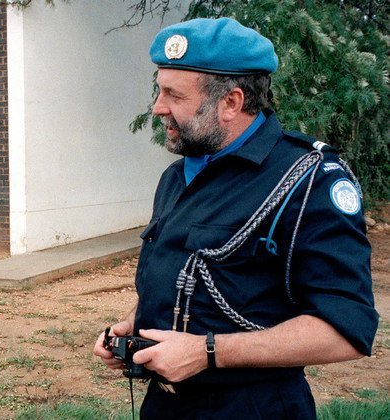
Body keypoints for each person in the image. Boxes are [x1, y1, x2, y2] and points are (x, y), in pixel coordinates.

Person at [93, 17, 378, 419]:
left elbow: (347, 331)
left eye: (173, 95)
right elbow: (199, 275)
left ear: (231, 102)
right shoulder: (178, 175)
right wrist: (134, 323)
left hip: (252, 408)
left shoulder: (308, 179)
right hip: (164, 406)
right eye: (160, 90)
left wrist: (207, 353)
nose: (158, 108)